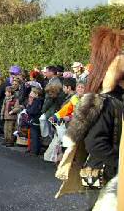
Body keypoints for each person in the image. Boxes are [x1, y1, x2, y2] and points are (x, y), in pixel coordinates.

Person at [55, 27, 124, 210]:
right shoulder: (102, 102)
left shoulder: (117, 98)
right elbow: (96, 143)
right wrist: (120, 166)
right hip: (102, 173)